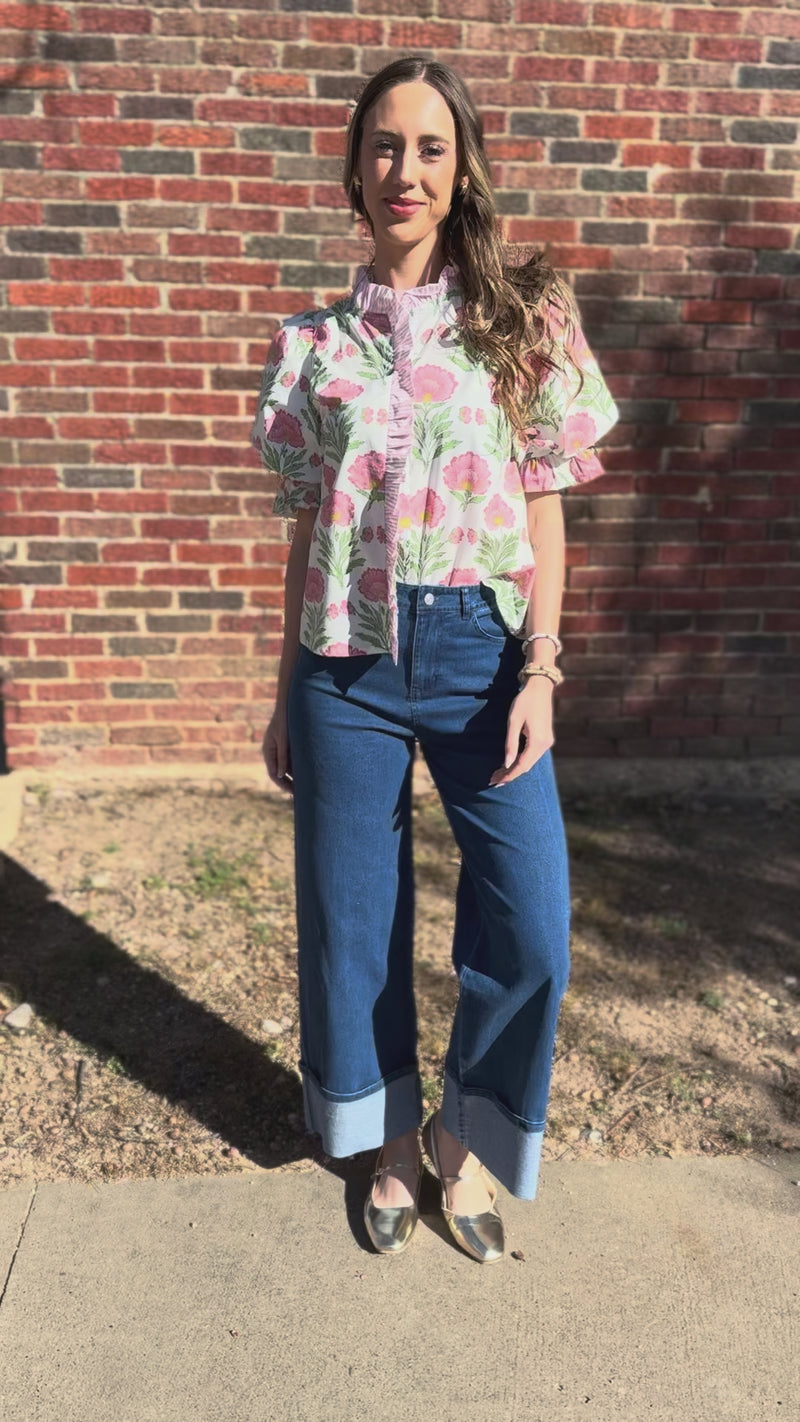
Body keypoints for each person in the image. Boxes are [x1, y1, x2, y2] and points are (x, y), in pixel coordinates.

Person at [250, 56, 618, 1264]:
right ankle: (389, 1147)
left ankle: (467, 1140)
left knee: (532, 922)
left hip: (480, 645)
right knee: (350, 921)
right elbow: (309, 523)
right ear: (354, 170)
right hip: (342, 662)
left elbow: (546, 501)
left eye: (429, 147)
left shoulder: (522, 314)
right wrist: (280, 694)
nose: (404, 170)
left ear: (460, 171)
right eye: (383, 146)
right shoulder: (311, 347)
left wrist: (542, 670)